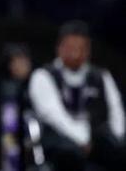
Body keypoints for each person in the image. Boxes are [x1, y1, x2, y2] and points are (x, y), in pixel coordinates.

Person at [28, 20, 125, 171]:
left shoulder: (101, 76)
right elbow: (54, 115)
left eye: (81, 48)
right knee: (69, 153)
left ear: (88, 50)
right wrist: (83, 140)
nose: (76, 53)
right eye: (71, 47)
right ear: (59, 48)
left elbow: (116, 111)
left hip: (97, 143)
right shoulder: (43, 76)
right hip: (59, 145)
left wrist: (118, 139)